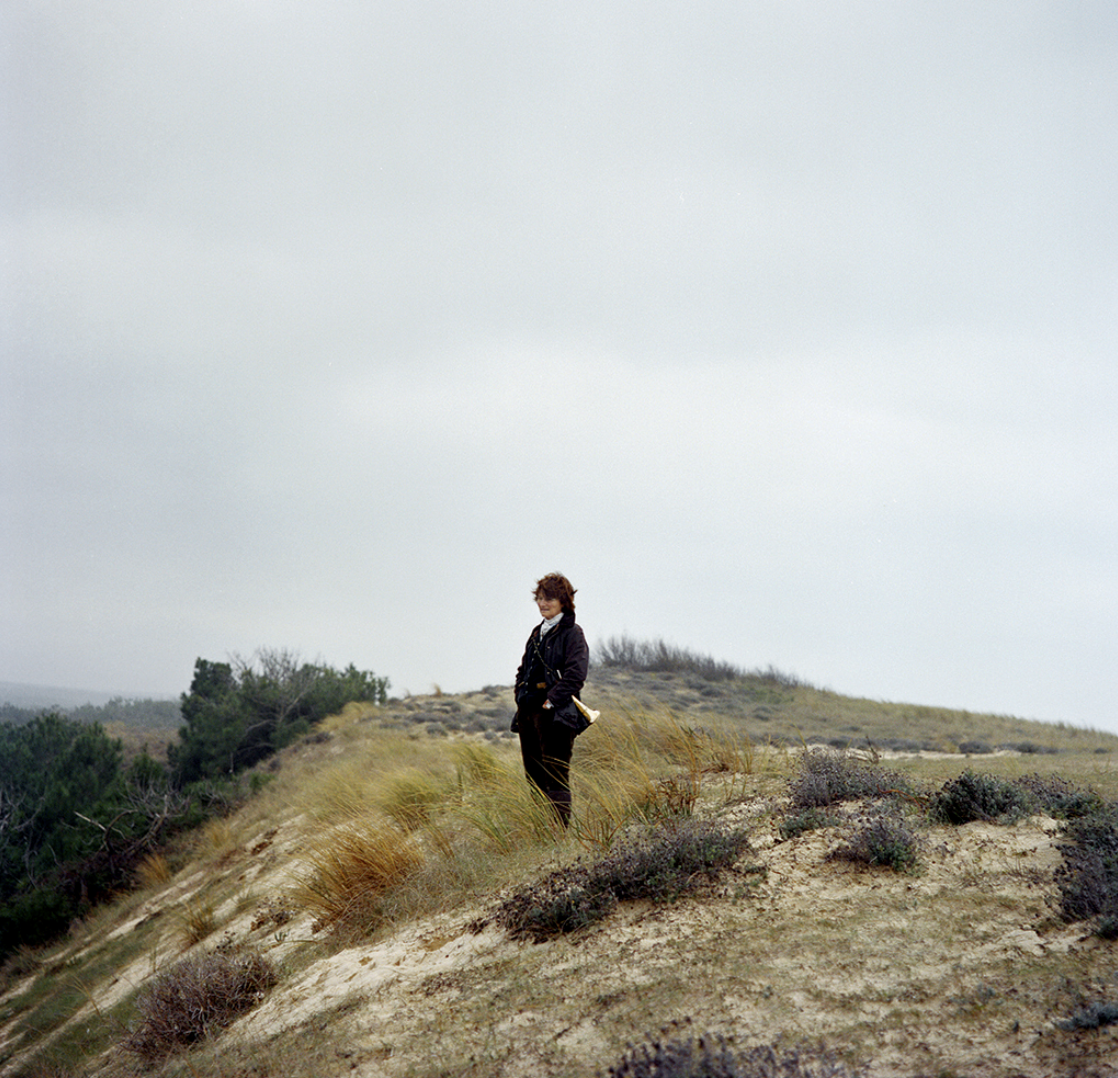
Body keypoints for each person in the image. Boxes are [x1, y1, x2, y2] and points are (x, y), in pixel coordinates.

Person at [513, 572, 590, 827]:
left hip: (556, 714)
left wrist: (550, 702)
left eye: (549, 599)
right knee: (534, 777)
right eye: (539, 598)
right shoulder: (536, 633)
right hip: (528, 711)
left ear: (563, 601)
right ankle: (543, 832)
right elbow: (522, 670)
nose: (542, 604)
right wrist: (520, 698)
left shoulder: (573, 633)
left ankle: (559, 835)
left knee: (556, 775)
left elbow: (576, 676)